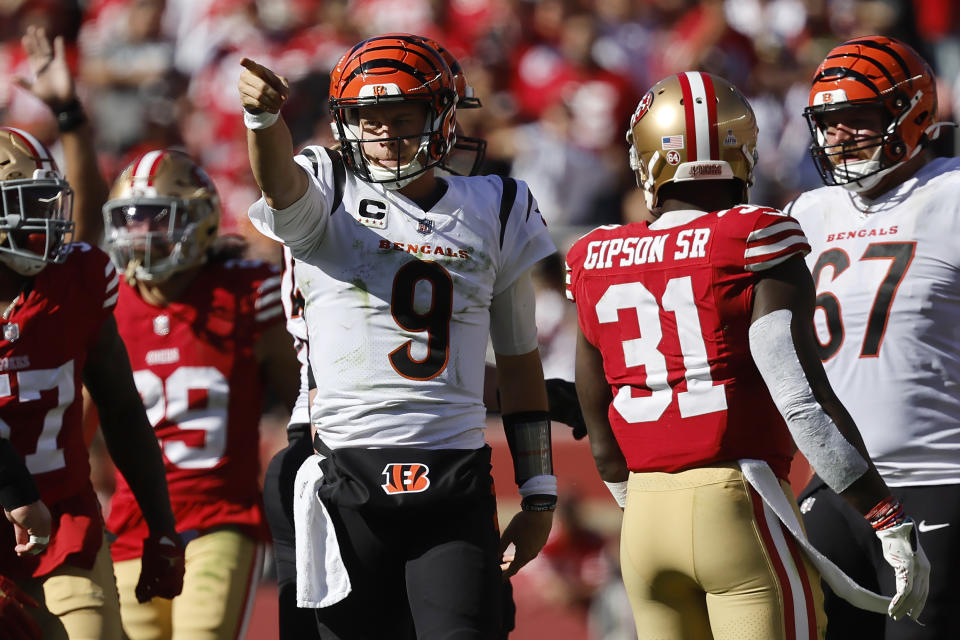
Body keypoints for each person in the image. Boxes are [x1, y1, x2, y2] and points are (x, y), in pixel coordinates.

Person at [566, 71, 930, 640]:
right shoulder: (754, 235)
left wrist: (639, 504)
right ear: (744, 154)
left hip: (643, 522)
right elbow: (800, 401)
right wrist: (885, 515)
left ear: (646, 160)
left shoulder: (595, 253)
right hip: (740, 505)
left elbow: (598, 418)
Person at [240, 33, 557, 638]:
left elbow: (519, 359)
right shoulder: (327, 184)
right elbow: (279, 185)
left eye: (402, 117)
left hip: (453, 474)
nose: (384, 135)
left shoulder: (496, 205)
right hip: (341, 473)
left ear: (440, 117)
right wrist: (263, 119)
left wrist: (539, 491)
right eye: (368, 119)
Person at [0, 29, 184, 640]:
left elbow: (123, 408)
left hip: (63, 516)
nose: (41, 225)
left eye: (43, 204)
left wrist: (161, 525)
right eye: (21, 207)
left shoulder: (73, 280)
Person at [784, 35, 959, 640]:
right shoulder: (809, 212)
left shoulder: (952, 194)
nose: (839, 137)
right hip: (837, 485)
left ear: (912, 113)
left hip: (937, 479)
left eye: (857, 119)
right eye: (829, 124)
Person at [89, 148, 300, 640]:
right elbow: (76, 427)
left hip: (220, 518)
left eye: (156, 217)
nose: (141, 233)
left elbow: (304, 404)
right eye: (129, 219)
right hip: (130, 526)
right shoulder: (106, 303)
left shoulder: (250, 293)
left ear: (200, 219)